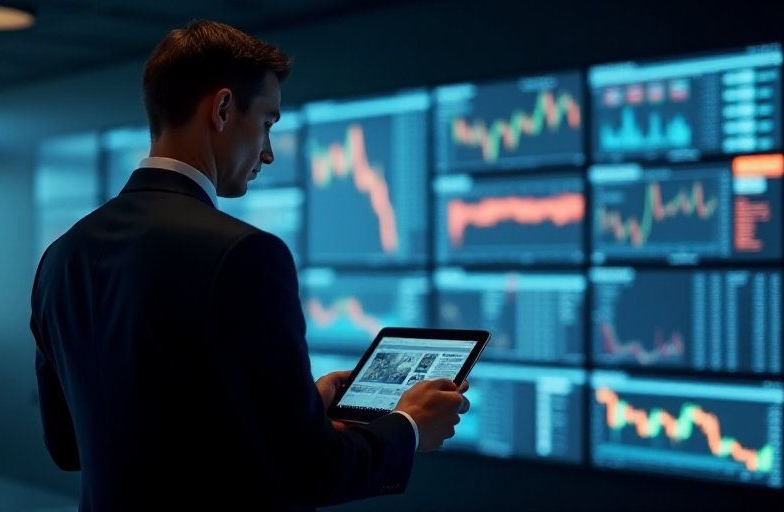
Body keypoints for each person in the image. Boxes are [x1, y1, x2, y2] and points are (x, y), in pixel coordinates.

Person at [29, 19, 469, 512]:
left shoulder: (60, 256)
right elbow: (312, 474)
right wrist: (409, 427)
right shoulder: (244, 254)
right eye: (267, 122)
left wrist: (296, 413)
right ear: (221, 109)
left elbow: (71, 447)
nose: (268, 152)